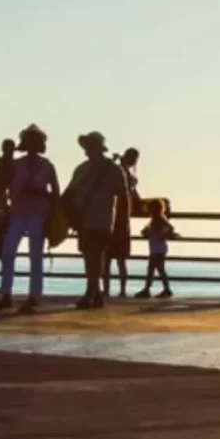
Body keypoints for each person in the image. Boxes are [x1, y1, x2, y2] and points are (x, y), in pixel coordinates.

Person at [0, 124, 60, 315]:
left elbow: (55, 193)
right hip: (18, 212)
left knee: (36, 256)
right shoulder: (16, 164)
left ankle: (33, 296)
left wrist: (43, 199)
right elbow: (3, 185)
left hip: (38, 214)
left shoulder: (47, 166)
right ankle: (6, 294)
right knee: (8, 252)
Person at [62, 131, 128, 310]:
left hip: (102, 219)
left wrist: (122, 224)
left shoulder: (113, 170)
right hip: (83, 219)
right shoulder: (81, 169)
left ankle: (90, 292)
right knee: (89, 256)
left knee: (96, 255)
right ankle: (96, 293)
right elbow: (70, 193)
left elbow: (123, 196)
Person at [105, 148, 141, 298]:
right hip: (121, 220)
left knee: (107, 258)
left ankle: (107, 290)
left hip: (112, 218)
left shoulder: (119, 171)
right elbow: (135, 195)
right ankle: (121, 290)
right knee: (119, 259)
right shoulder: (128, 175)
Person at [135, 199, 178, 299]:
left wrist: (160, 234)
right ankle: (161, 289)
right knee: (157, 269)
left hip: (157, 249)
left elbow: (169, 228)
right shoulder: (155, 220)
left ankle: (151, 289)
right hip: (157, 248)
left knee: (153, 269)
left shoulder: (158, 220)